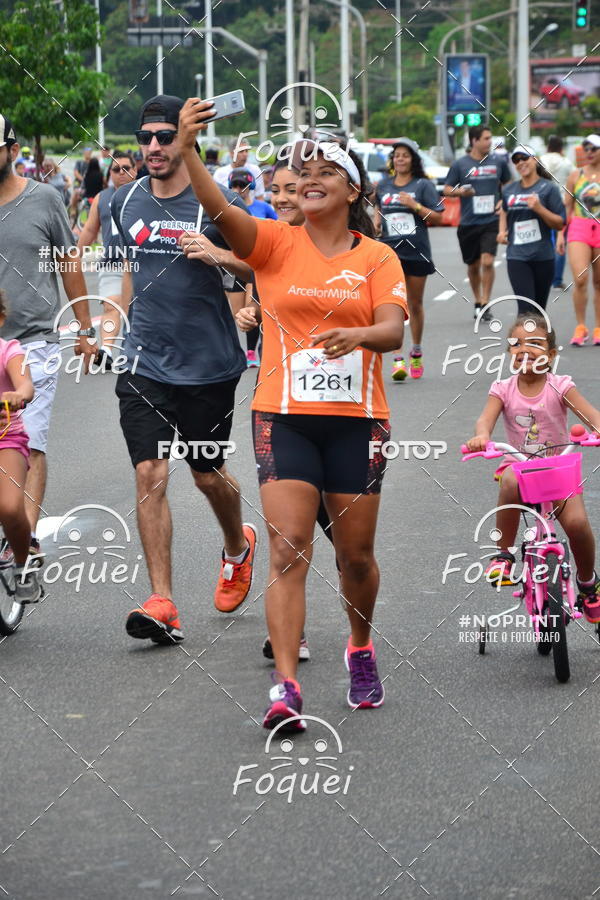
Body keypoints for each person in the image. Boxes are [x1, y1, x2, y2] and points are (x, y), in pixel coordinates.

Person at [178, 97, 408, 730]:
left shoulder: (375, 258)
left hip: (358, 421)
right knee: (288, 548)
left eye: (323, 170)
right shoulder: (274, 243)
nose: (307, 177)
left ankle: (359, 649)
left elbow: (392, 329)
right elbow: (222, 211)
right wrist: (191, 148)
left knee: (355, 557)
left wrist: (359, 337)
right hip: (282, 416)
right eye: (299, 170)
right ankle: (285, 687)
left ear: (351, 188)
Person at [108, 94, 257, 645]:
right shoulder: (121, 203)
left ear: (186, 138)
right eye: (145, 136)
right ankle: (162, 600)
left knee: (205, 474)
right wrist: (109, 323)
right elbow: (127, 270)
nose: (152, 146)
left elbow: (261, 263)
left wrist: (224, 263)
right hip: (144, 359)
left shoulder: (210, 201)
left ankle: (238, 547)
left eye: (164, 136)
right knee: (150, 473)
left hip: (209, 365)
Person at [0, 114, 95, 567]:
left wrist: (84, 329)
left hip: (34, 341)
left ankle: (28, 543)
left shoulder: (44, 200)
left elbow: (69, 263)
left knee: (29, 442)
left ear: (12, 152)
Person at [466, 313, 600, 624]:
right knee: (510, 478)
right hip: (521, 465)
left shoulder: (560, 386)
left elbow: (590, 414)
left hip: (558, 468)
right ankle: (503, 554)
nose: (526, 350)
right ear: (509, 352)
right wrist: (482, 436)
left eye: (536, 344)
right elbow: (485, 419)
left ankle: (587, 583)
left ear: (552, 355)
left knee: (578, 525)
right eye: (517, 344)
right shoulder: (502, 388)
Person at [373, 138, 443, 381]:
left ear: (413, 159)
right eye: (397, 155)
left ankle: (416, 350)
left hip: (417, 251)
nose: (400, 159)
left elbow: (438, 218)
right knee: (394, 303)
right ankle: (398, 357)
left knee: (414, 304)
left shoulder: (423, 185)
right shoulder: (383, 185)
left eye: (405, 155)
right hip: (390, 251)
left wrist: (414, 205)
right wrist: (377, 222)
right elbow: (379, 211)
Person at [0, 289, 43, 603]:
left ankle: (21, 564)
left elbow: (26, 384)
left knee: (10, 507)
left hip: (6, 440)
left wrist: (19, 395)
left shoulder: (9, 351)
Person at [443, 124, 511, 321]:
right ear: (474, 141)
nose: (490, 142)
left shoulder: (499, 162)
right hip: (469, 222)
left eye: (490, 138)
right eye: (486, 138)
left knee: (488, 261)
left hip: (491, 220)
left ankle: (486, 302)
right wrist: (459, 192)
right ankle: (477, 300)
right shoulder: (460, 164)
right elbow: (447, 189)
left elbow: (508, 184)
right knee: (473, 266)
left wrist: (502, 200)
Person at [77, 151, 136, 368]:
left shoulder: (148, 194)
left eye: (126, 168)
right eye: (116, 170)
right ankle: (107, 351)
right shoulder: (103, 198)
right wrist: (75, 255)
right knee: (113, 306)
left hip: (145, 265)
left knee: (141, 311)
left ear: (135, 170)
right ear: (109, 173)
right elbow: (90, 230)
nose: (121, 173)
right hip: (113, 263)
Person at [498, 146, 565, 313]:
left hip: (543, 257)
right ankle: (526, 340)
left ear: (535, 159)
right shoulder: (509, 190)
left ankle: (539, 339)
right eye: (516, 160)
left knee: (539, 310)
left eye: (524, 158)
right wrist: (501, 231)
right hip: (517, 257)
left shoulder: (549, 188)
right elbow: (504, 210)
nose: (520, 162)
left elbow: (559, 223)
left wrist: (539, 209)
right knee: (526, 308)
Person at [228, 168, 276, 368]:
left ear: (251, 186)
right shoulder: (229, 207)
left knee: (254, 307)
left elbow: (280, 229)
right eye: (235, 185)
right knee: (238, 312)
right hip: (236, 262)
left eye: (243, 185)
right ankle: (250, 348)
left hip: (258, 265)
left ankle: (255, 350)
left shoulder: (264, 208)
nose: (239, 189)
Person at [557, 133, 600, 347]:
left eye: (594, 148)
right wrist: (560, 234)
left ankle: (598, 327)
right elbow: (566, 208)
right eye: (587, 148)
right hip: (579, 229)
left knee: (599, 282)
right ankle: (581, 326)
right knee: (581, 278)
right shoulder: (576, 175)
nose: (590, 152)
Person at [540, 135, 574, 289]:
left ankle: (543, 276)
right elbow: (576, 178)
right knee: (561, 241)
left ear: (548, 146)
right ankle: (557, 280)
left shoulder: (541, 160)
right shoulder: (566, 163)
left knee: (544, 239)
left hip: (542, 204)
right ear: (561, 148)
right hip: (561, 204)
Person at [69, 146, 92, 223]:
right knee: (76, 192)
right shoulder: (79, 162)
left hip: (89, 185)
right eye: (86, 153)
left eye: (89, 153)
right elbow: (76, 173)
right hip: (79, 183)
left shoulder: (92, 163)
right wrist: (83, 179)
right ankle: (73, 212)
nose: (88, 154)